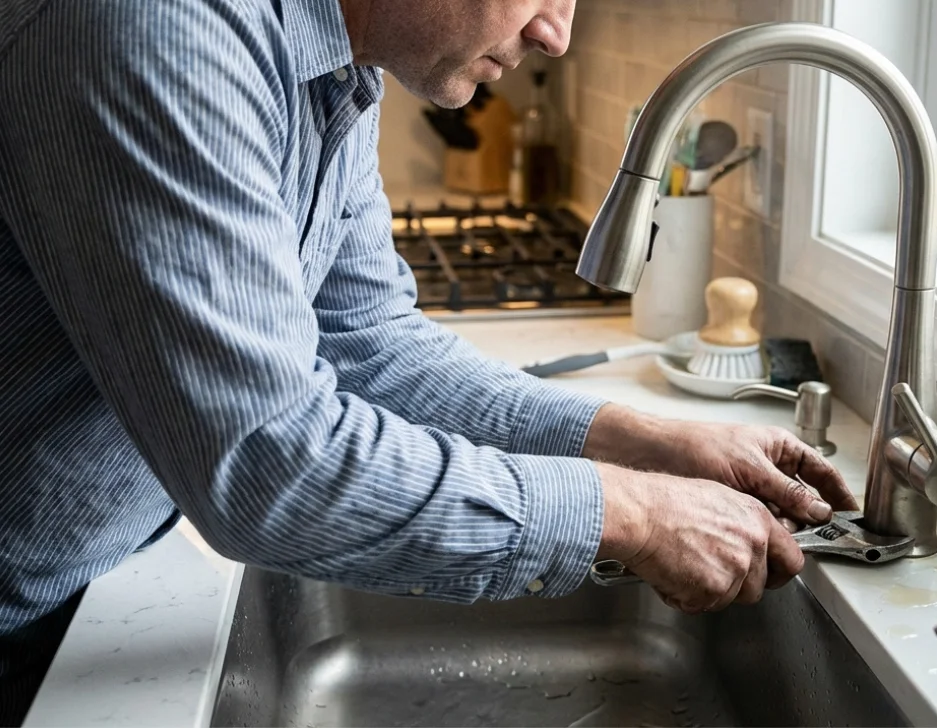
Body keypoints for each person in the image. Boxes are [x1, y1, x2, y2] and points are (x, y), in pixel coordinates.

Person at [0, 0, 856, 722]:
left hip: (84, 580)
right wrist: (628, 513)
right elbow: (271, 469)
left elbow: (371, 342)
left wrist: (630, 440)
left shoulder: (337, 67)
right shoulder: (150, 33)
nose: (558, 33)